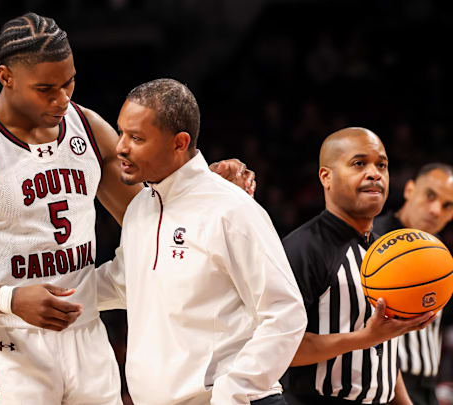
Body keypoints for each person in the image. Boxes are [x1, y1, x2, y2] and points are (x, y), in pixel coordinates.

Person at [0, 12, 255, 405]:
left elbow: (152, 214)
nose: (62, 99)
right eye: (46, 89)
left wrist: (209, 185)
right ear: (6, 77)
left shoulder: (88, 128)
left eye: (69, 83)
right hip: (7, 337)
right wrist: (10, 298)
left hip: (86, 330)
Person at [95, 78, 307, 405]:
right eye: (121, 132)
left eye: (136, 138)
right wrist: (38, 291)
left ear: (180, 143)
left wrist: (233, 393)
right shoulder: (140, 207)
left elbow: (285, 312)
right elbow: (126, 281)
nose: (121, 146)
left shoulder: (230, 208)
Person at [281, 127, 438, 405]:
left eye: (382, 165)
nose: (374, 173)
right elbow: (282, 349)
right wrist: (365, 337)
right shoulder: (301, 249)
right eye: (358, 163)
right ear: (326, 177)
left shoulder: (387, 253)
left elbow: (384, 353)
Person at [373, 163, 453, 405]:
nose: (436, 210)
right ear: (409, 189)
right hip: (387, 384)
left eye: (448, 205)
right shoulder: (375, 240)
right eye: (430, 195)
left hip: (428, 385)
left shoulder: (441, 252)